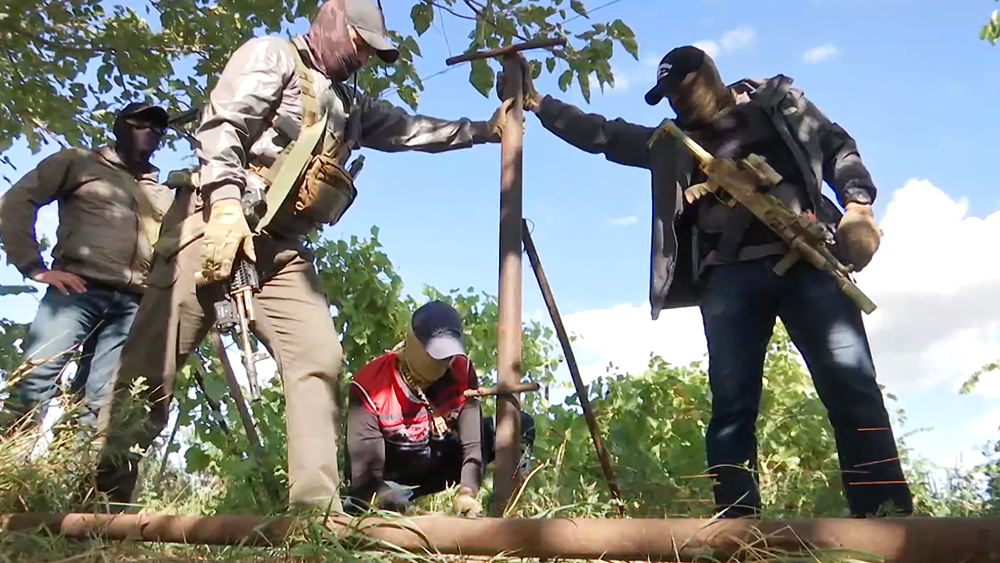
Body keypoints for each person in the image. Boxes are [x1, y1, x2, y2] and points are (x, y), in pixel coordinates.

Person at [92, 0, 509, 513]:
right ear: (331, 20)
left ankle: (314, 511)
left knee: (318, 357)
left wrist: (483, 130)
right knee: (149, 372)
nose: (362, 58)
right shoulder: (272, 56)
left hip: (279, 252)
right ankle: (101, 503)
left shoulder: (348, 106)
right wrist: (224, 206)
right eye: (359, 43)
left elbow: (410, 131)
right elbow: (223, 125)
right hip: (211, 229)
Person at [498, 46, 913, 518]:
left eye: (682, 88)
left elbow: (838, 145)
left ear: (709, 75)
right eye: (667, 95)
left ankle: (886, 512)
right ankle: (738, 525)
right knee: (732, 406)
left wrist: (858, 208)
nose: (676, 101)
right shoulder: (673, 141)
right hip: (728, 280)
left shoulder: (776, 104)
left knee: (852, 386)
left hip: (809, 263)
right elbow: (605, 135)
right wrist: (537, 103)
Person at [0, 103, 173, 436]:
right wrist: (34, 267)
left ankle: (69, 479)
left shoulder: (161, 193)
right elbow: (18, 201)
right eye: (140, 123)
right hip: (76, 292)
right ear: (120, 126)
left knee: (101, 403)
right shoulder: (79, 162)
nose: (149, 132)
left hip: (132, 306)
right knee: (35, 381)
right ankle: (9, 474)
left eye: (157, 128)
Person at [344, 300, 536, 516]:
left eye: (450, 353)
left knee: (521, 423)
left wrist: (467, 491)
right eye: (437, 353)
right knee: (365, 504)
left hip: (436, 461)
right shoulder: (371, 385)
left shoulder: (461, 370)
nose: (445, 361)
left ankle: (502, 511)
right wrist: (396, 504)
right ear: (415, 343)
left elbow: (473, 444)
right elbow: (365, 476)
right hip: (390, 475)